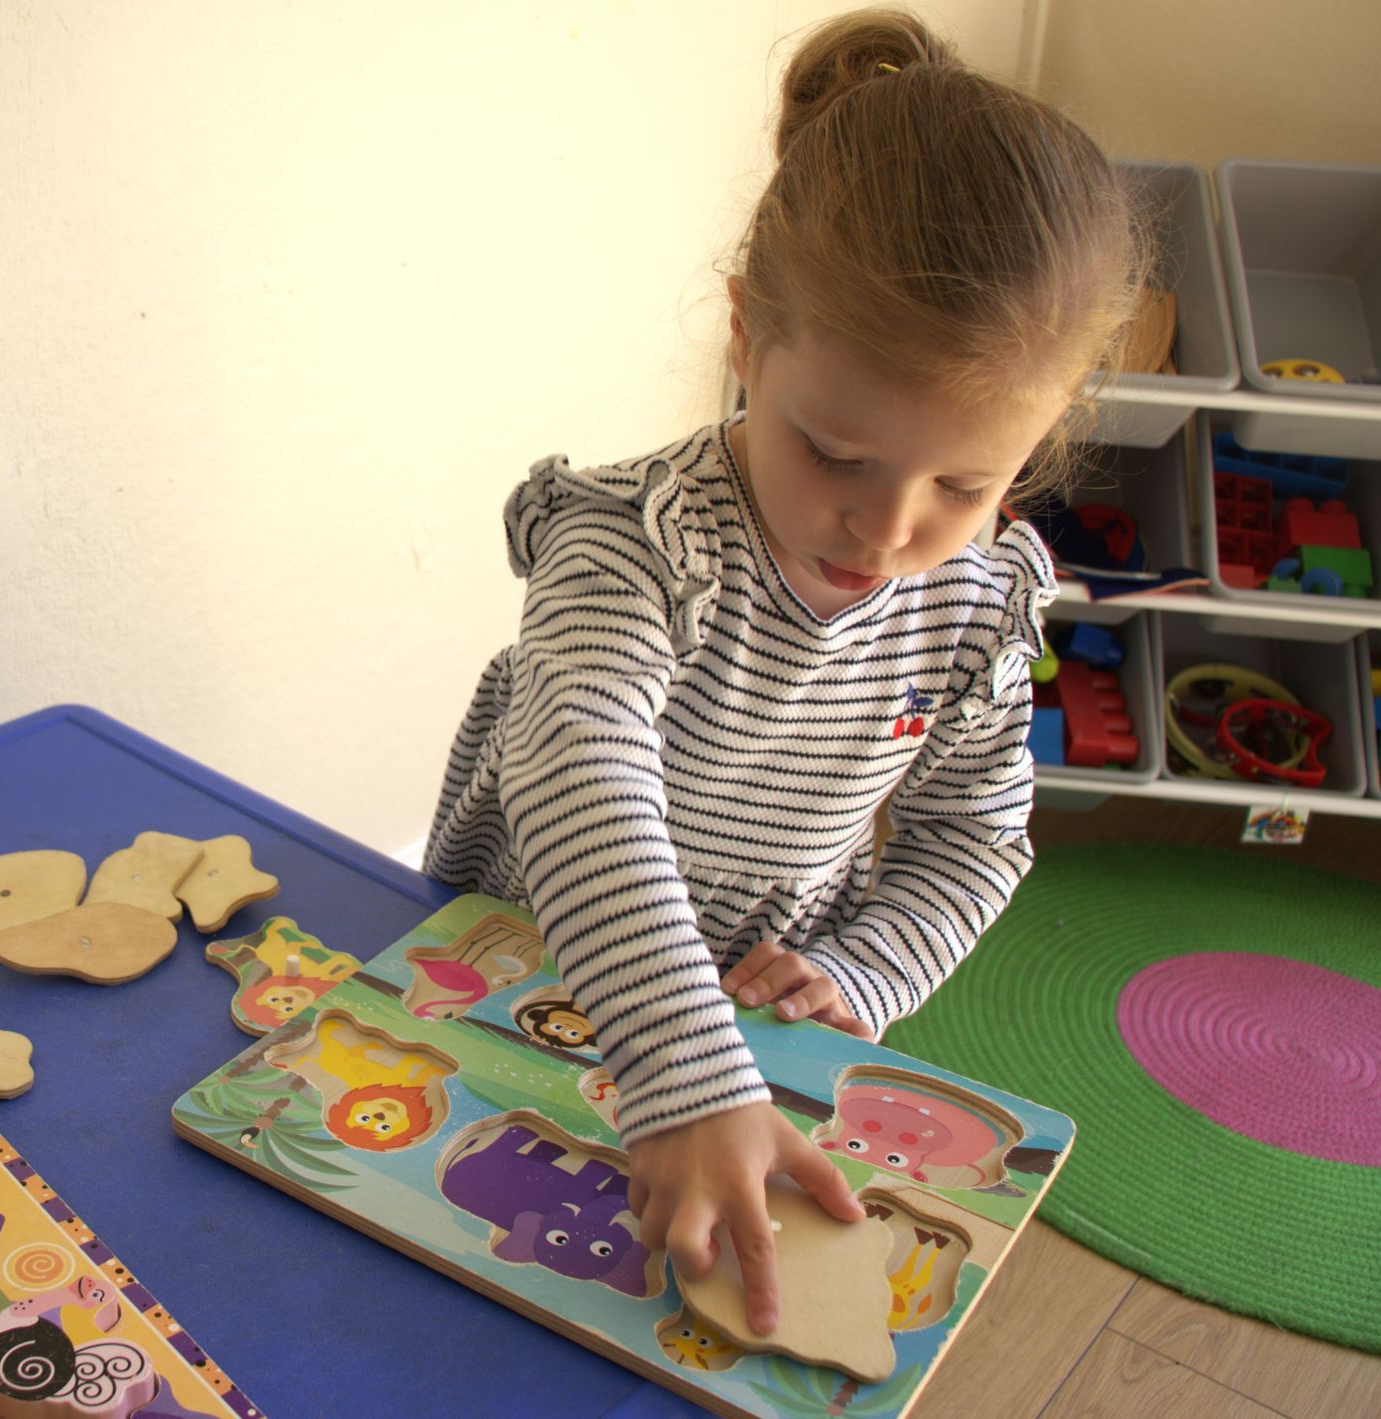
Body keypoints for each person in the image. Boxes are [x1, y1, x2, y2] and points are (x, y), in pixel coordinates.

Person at [423, 6, 1150, 1335]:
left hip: (761, 1028)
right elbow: (578, 764)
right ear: (749, 336)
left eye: (965, 484)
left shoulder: (981, 607)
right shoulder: (636, 546)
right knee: (458, 1256)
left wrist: (865, 978)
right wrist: (680, 1072)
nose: (887, 529)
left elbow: (973, 844)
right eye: (837, 455)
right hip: (527, 965)